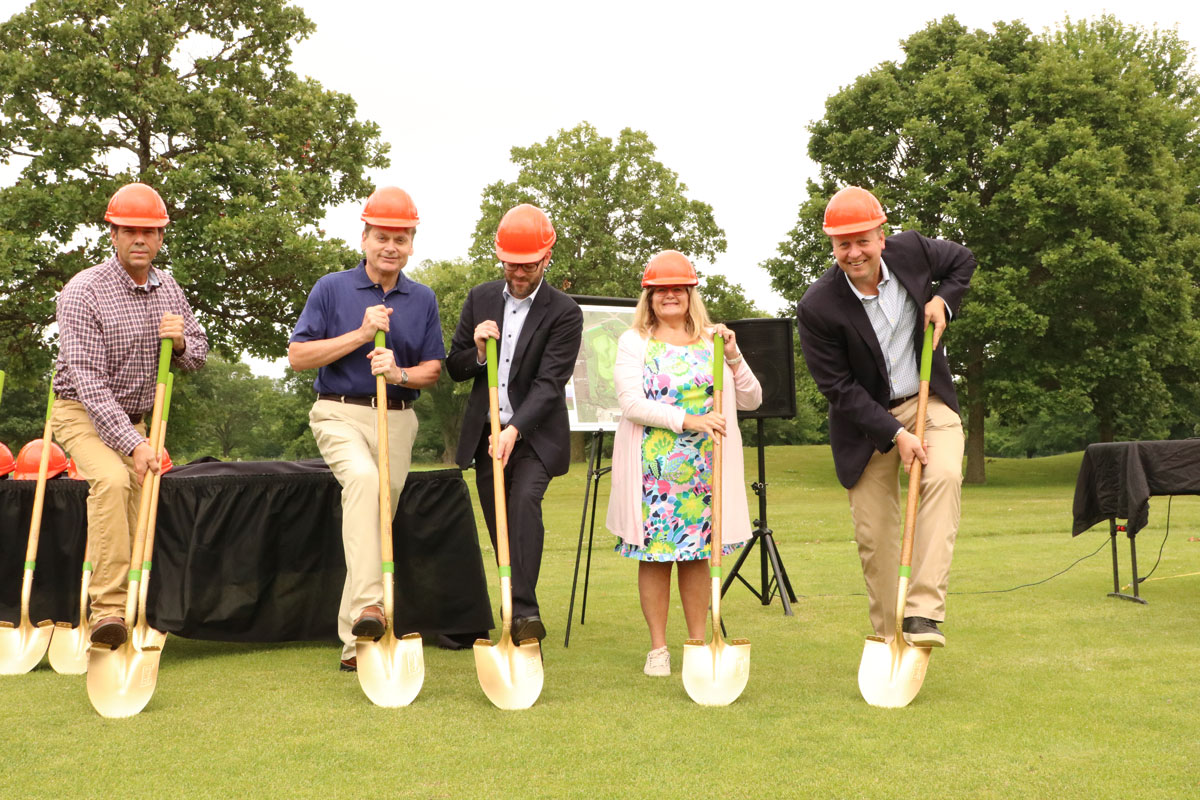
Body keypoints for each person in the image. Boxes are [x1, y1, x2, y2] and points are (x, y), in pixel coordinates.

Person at [797, 185, 974, 647]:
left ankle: (922, 615)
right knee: (877, 539)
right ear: (832, 246)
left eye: (862, 240)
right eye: (843, 244)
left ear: (881, 234)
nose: (854, 253)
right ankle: (889, 636)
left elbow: (962, 260)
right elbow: (838, 388)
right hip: (867, 422)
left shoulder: (914, 250)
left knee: (945, 475)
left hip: (927, 399)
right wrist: (895, 434)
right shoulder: (818, 306)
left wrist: (944, 302)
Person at [288, 186, 445, 672]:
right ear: (364, 238)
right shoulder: (330, 288)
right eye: (381, 237)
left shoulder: (422, 299)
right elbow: (298, 357)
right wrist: (360, 334)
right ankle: (370, 610)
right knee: (362, 480)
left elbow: (433, 370)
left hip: (396, 415)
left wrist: (398, 373)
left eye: (400, 238)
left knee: (377, 522)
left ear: (412, 244)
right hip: (338, 411)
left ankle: (356, 641)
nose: (390, 247)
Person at [51, 181, 208, 648]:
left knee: (146, 499)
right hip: (82, 412)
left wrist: (179, 343)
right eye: (129, 230)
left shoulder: (169, 287)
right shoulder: (84, 292)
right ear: (113, 234)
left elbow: (198, 353)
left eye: (149, 231)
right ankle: (107, 613)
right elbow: (89, 384)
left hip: (138, 417)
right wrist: (135, 446)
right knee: (113, 481)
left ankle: (144, 605)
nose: (140, 239)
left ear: (161, 237)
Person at [605, 250, 762, 676]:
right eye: (661, 290)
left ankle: (698, 642)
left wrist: (733, 355)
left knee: (697, 557)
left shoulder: (714, 337)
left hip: (706, 470)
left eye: (678, 288)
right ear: (650, 297)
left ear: (691, 293)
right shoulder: (634, 340)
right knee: (655, 558)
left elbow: (751, 398)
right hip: (654, 471)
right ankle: (658, 648)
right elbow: (631, 403)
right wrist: (689, 420)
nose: (670, 295)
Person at [446, 203, 583, 645]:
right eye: (510, 263)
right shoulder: (480, 298)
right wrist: (480, 351)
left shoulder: (564, 312)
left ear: (546, 258)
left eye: (527, 264)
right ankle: (517, 609)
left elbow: (548, 385)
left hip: (535, 437)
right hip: (487, 436)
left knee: (522, 504)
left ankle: (523, 615)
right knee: (498, 524)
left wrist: (513, 430)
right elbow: (455, 366)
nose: (518, 273)